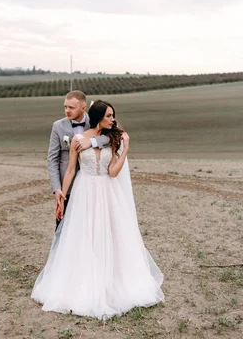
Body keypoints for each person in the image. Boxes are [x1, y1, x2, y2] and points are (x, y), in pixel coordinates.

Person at [32, 100, 164, 319]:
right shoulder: (77, 139)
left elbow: (113, 172)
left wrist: (125, 150)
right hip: (84, 192)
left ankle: (111, 281)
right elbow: (71, 170)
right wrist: (62, 197)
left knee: (111, 235)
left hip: (106, 191)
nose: (113, 119)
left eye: (113, 115)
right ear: (99, 116)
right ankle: (84, 280)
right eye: (109, 115)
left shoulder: (112, 139)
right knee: (84, 236)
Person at [47, 91, 109, 230]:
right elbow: (52, 159)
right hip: (67, 188)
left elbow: (111, 136)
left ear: (83, 107)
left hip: (91, 185)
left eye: (71, 107)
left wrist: (92, 141)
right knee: (63, 229)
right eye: (65, 107)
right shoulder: (58, 126)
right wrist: (57, 189)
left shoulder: (95, 122)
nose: (67, 111)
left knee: (91, 227)